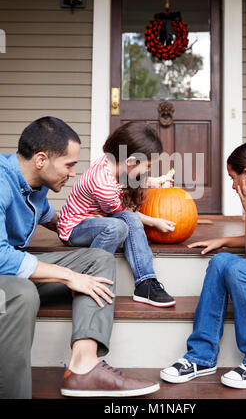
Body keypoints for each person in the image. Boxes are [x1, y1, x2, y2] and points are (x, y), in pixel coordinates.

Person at [0, 116, 159, 399]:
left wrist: (73, 224)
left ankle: (84, 366)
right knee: (22, 292)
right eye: (69, 165)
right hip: (7, 277)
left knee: (98, 259)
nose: (74, 173)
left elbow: (47, 216)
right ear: (41, 160)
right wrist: (70, 276)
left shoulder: (35, 187)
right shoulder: (1, 182)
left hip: (15, 267)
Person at [160, 140, 246, 389]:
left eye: (233, 178)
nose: (234, 186)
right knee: (222, 260)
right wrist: (225, 241)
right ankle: (201, 356)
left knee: (239, 267)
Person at [57, 121, 176, 308]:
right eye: (148, 166)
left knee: (122, 223)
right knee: (119, 225)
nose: (148, 171)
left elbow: (129, 179)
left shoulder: (112, 162)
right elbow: (122, 214)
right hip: (75, 228)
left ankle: (146, 282)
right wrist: (154, 222)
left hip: (97, 221)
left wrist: (157, 181)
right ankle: (90, 276)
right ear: (129, 162)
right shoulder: (102, 185)